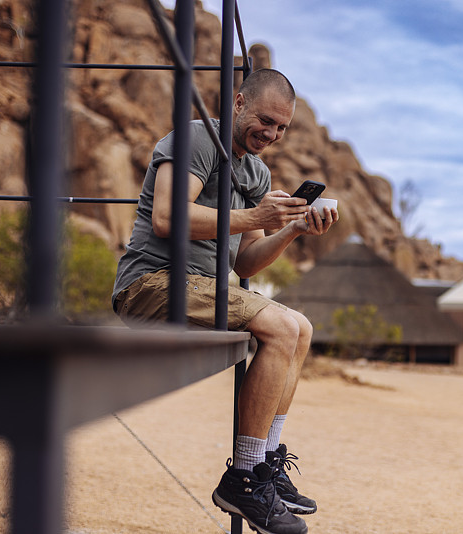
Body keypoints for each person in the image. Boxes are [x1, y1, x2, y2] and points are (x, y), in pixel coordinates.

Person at [112, 68, 338, 534]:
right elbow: (166, 218)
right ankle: (243, 479)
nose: (271, 134)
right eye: (265, 119)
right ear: (238, 103)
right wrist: (255, 214)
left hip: (206, 289)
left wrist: (292, 228)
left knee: (301, 327)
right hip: (155, 282)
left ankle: (264, 469)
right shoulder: (197, 138)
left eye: (281, 127)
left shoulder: (256, 171)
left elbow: (249, 263)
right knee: (280, 327)